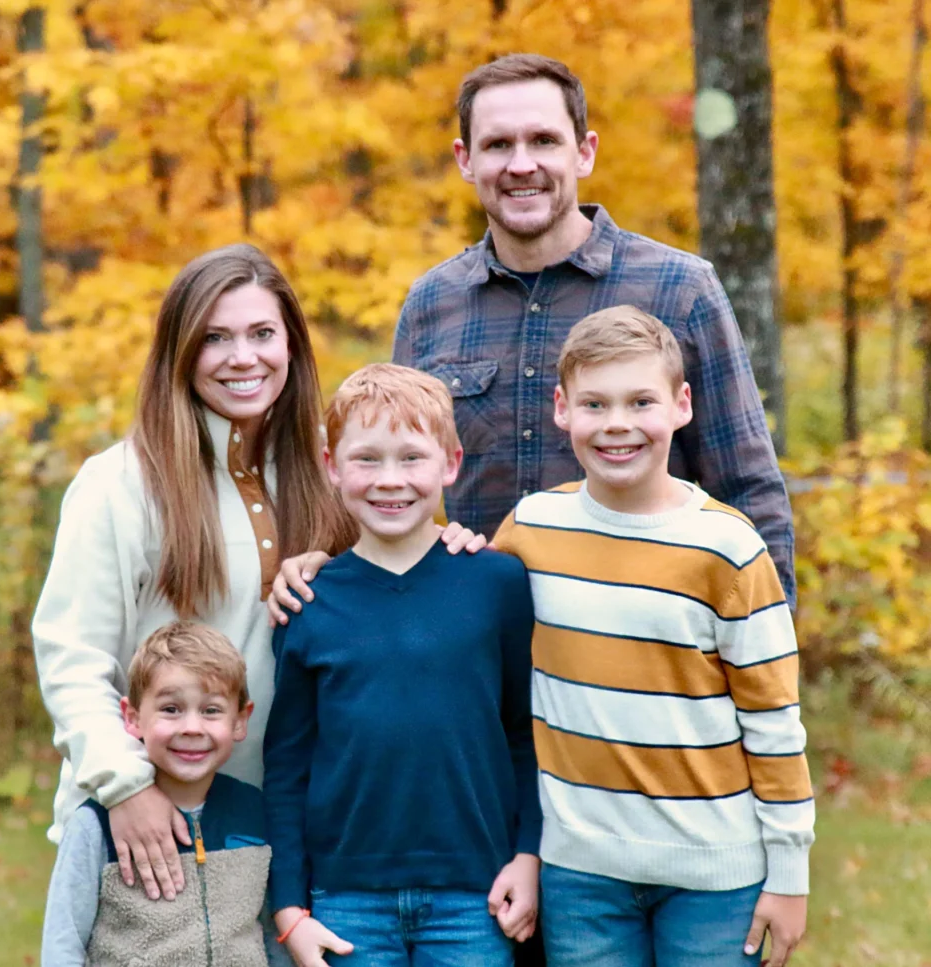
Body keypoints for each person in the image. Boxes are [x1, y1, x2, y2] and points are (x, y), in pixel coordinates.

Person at [32, 244, 480, 910]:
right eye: (215, 337)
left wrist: (449, 546)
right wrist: (125, 788)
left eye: (262, 333)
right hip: (154, 828)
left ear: (292, 346)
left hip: (291, 832)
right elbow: (72, 658)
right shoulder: (118, 485)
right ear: (179, 353)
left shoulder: (325, 479)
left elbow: (388, 589)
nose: (243, 357)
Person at [393, 52, 797, 608]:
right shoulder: (430, 305)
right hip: (484, 657)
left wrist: (763, 655)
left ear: (584, 152)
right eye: (497, 145)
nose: (521, 164)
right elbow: (394, 486)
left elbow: (749, 489)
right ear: (465, 160)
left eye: (544, 140)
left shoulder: (680, 290)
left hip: (647, 653)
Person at [492, 306, 814, 967]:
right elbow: (460, 614)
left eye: (641, 401)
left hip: (715, 875)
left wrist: (789, 873)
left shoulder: (728, 548)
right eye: (595, 403)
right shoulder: (530, 529)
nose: (617, 423)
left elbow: (775, 720)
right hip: (581, 870)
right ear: (561, 408)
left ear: (681, 404)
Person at [263, 363, 542, 967]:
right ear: (332, 466)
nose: (390, 481)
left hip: (475, 894)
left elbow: (526, 734)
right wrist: (289, 908)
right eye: (367, 459)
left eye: (411, 458)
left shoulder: (497, 583)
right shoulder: (309, 601)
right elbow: (287, 765)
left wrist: (529, 854)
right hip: (345, 900)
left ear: (450, 463)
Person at [41, 621, 270, 966]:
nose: (192, 727)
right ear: (132, 718)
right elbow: (63, 945)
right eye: (171, 709)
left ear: (240, 720)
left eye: (211, 710)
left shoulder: (256, 811)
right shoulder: (94, 826)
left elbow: (269, 932)